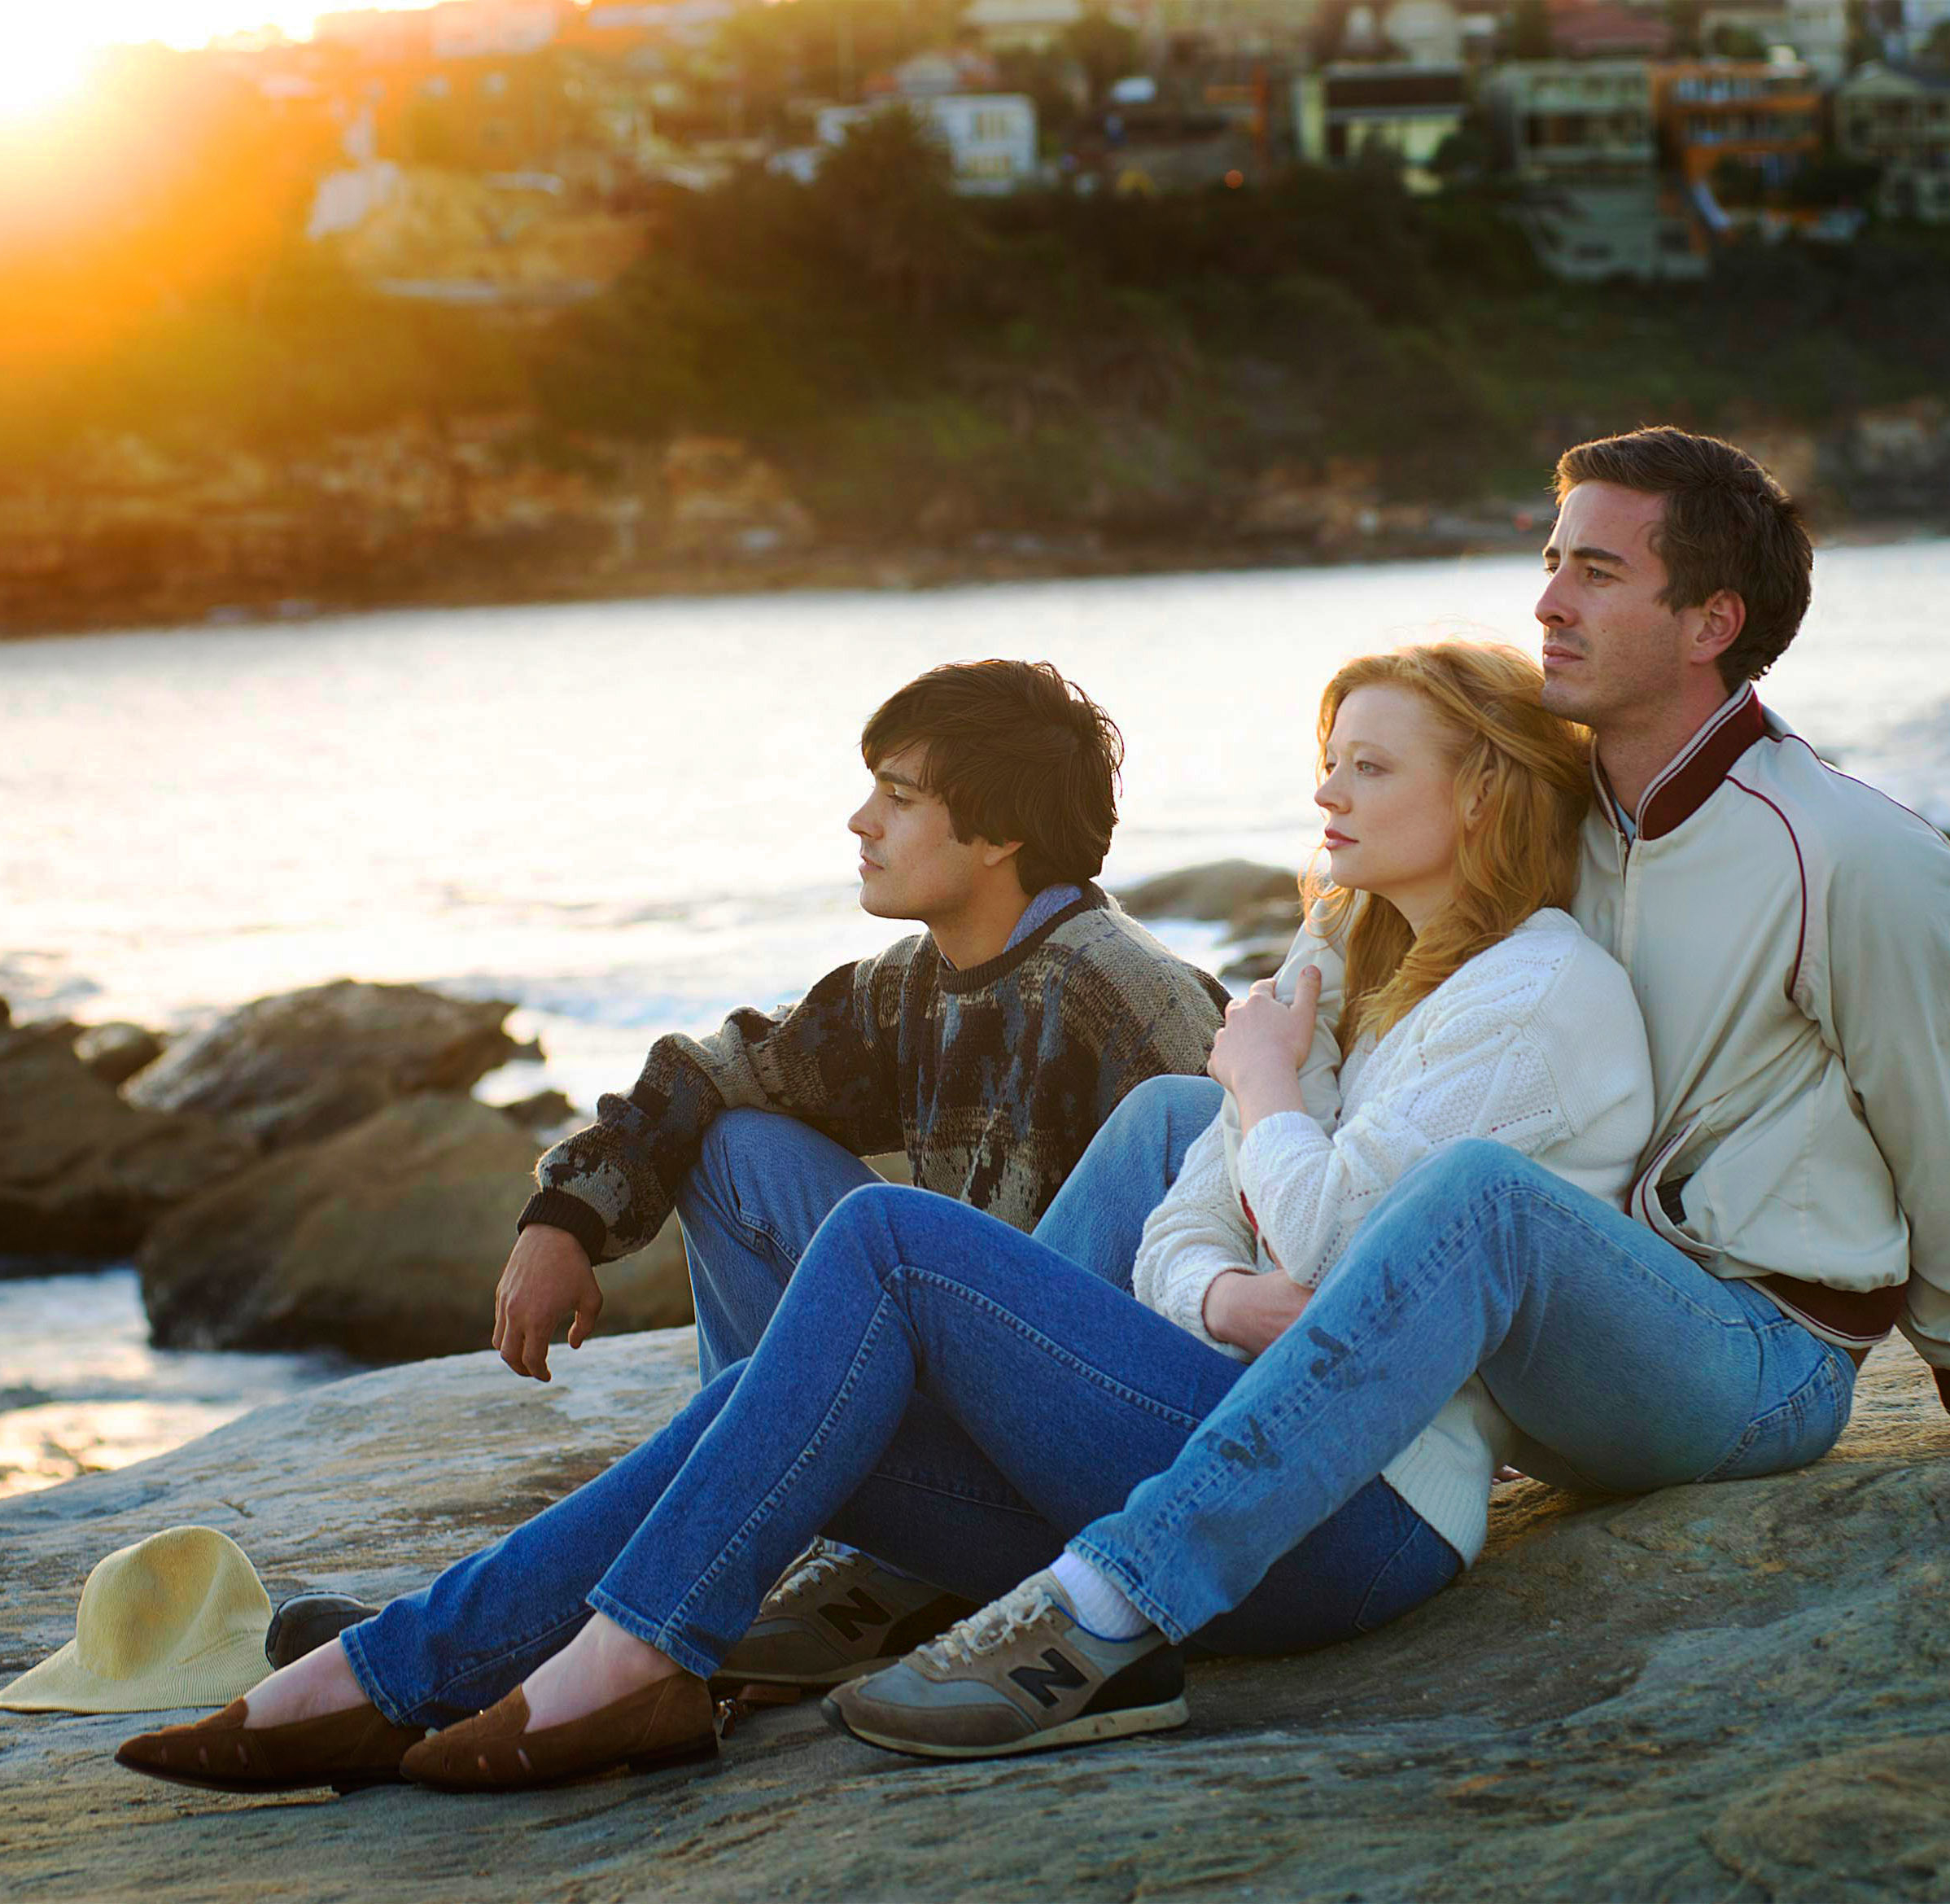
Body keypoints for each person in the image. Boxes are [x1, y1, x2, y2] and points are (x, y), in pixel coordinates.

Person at [813, 426, 1950, 1757]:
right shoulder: (1528, 804)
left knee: (1478, 1195)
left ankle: (1108, 1605)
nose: (1546, 599)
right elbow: (1320, 995)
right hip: (1535, 1344)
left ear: (1712, 621)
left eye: (1597, 570)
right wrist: (1240, 1172)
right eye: (1551, 556)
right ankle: (925, 1533)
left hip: (1748, 1353)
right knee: (1185, 1118)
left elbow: (1940, 1112)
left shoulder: (1853, 851)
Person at [111, 638, 1653, 1793]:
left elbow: (1338, 1267)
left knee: (885, 1251)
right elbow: (1196, 1245)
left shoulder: (1505, 1004)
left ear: (1487, 793)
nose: (1323, 793)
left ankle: (633, 1647)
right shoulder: (1336, 984)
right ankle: (404, 1666)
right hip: (1157, 1452)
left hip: (1336, 1512)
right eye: (1331, 758)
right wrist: (568, 1205)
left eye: (1369, 767)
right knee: (755, 1361)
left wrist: (1258, 1108)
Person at [492, 655, 1229, 1394]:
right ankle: (769, 1431)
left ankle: (771, 1446)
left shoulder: (1131, 993)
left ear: (1000, 833)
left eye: (899, 798)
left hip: (1075, 1404)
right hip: (960, 1361)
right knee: (735, 1147)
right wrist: (564, 1219)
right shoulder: (910, 982)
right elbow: (713, 1072)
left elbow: (1238, 1237)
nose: (861, 820)